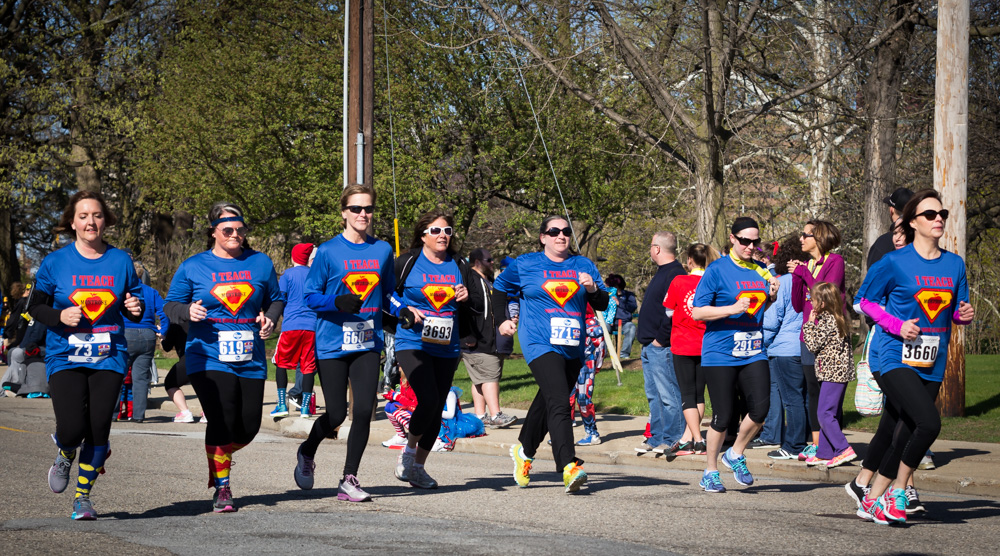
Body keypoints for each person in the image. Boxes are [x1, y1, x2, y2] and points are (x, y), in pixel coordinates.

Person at [852, 189, 973, 524]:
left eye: (942, 214)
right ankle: (898, 491)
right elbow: (862, 302)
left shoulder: (954, 264)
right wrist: (896, 324)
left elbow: (955, 311)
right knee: (928, 423)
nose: (939, 219)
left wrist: (964, 315)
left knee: (905, 430)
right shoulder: (894, 262)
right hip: (893, 355)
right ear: (913, 222)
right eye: (930, 215)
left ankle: (872, 498)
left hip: (932, 360)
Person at [28, 191, 143, 520]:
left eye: (97, 215)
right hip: (66, 354)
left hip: (109, 354)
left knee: (98, 428)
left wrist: (134, 307)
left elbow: (132, 302)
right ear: (72, 223)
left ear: (105, 220)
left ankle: (83, 498)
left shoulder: (120, 260)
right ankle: (65, 452)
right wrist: (59, 316)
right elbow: (35, 306)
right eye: (83, 216)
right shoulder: (55, 262)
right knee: (71, 428)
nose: (91, 222)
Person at [164, 202, 284, 513]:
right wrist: (187, 311)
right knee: (222, 416)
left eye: (240, 229)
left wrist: (271, 318)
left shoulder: (260, 262)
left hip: (250, 355)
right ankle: (222, 486)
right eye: (228, 229)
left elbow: (276, 298)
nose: (235, 234)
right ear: (213, 232)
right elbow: (170, 304)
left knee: (248, 427)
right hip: (207, 354)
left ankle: (219, 456)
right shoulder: (193, 266)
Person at [291, 186, 397, 501]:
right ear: (344, 212)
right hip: (332, 343)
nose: (363, 214)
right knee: (336, 414)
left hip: (367, 341)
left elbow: (389, 292)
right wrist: (336, 302)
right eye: (356, 208)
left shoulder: (382, 250)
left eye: (368, 208)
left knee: (363, 410)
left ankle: (349, 479)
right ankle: (307, 450)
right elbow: (310, 296)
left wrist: (403, 310)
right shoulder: (327, 251)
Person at [494, 216, 609, 493]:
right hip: (539, 342)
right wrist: (502, 320)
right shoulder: (525, 264)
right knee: (559, 400)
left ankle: (524, 451)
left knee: (548, 400)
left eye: (566, 231)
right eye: (554, 231)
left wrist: (592, 288)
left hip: (572, 345)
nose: (561, 236)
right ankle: (569, 466)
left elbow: (603, 303)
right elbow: (499, 288)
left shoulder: (583, 265)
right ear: (543, 237)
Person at [690, 217, 779, 493]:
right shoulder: (717, 270)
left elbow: (757, 308)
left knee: (761, 410)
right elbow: (698, 312)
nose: (751, 246)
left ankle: (736, 453)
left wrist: (771, 297)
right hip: (720, 353)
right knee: (723, 416)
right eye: (745, 241)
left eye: (755, 242)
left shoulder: (760, 270)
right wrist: (731, 308)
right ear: (732, 239)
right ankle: (710, 471)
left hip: (753, 350)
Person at [390, 211, 469, 489]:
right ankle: (408, 451)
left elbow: (472, 300)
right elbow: (387, 293)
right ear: (423, 235)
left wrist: (465, 296)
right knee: (429, 398)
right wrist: (404, 308)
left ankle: (419, 468)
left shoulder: (459, 263)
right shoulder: (407, 262)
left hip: (447, 345)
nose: (442, 235)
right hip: (412, 341)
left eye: (447, 230)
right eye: (436, 230)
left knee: (436, 408)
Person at [789, 219, 846, 463]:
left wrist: (803, 273)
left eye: (806, 235)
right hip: (808, 335)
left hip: (830, 338)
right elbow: (797, 305)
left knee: (829, 393)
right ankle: (818, 445)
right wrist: (796, 277)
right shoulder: (807, 266)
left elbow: (827, 296)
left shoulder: (835, 261)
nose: (801, 239)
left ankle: (834, 445)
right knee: (813, 391)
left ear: (819, 237)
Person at [635, 232, 686, 456]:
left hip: (662, 346)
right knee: (654, 395)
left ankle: (674, 438)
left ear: (657, 248)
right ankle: (656, 436)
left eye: (650, 246)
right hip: (649, 346)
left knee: (669, 395)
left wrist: (660, 340)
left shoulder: (675, 274)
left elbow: (674, 312)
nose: (650, 250)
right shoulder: (662, 272)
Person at [662, 243, 715, 455]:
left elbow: (668, 312)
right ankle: (688, 438)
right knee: (699, 395)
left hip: (683, 343)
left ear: (689, 260)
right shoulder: (712, 281)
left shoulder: (679, 281)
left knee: (687, 394)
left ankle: (698, 440)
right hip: (705, 344)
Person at [459, 247, 516, 429]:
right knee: (490, 376)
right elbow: (466, 309)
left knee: (479, 379)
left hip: (488, 338)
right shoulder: (471, 280)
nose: (493, 263)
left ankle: (480, 415)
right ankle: (495, 415)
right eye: (489, 260)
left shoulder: (488, 281)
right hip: (477, 339)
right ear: (477, 262)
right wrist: (469, 334)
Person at [763, 241, 809, 461]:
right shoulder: (811, 280)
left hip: (784, 348)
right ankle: (807, 440)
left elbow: (773, 320)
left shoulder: (785, 282)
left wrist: (764, 342)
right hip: (806, 347)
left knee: (792, 400)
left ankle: (793, 445)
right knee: (805, 397)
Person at [802, 282, 855, 467]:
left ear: (822, 303)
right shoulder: (838, 317)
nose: (810, 302)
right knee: (830, 413)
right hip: (837, 373)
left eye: (812, 299)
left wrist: (809, 324)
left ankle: (843, 448)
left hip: (833, 373)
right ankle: (825, 453)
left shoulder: (827, 320)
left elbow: (812, 345)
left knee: (824, 414)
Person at [271, 242, 318, 419]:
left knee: (280, 363)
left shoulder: (287, 275)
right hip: (312, 327)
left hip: (291, 325)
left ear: (293, 257)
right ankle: (305, 408)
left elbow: (280, 298)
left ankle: (282, 404)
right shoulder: (314, 275)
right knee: (308, 366)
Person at [123, 256, 169, 423]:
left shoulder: (123, 290)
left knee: (118, 375)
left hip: (126, 333)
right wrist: (163, 331)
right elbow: (164, 313)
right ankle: (138, 415)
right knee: (141, 378)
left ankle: (113, 413)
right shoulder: (151, 292)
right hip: (148, 335)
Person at [571, 305, 605, 445]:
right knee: (565, 399)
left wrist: (597, 366)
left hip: (586, 366)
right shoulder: (569, 320)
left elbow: (600, 347)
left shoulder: (591, 324)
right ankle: (562, 435)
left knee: (584, 400)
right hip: (569, 364)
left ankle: (592, 433)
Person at [605, 274, 638, 360]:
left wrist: (619, 303)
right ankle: (603, 353)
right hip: (609, 323)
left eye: (614, 286)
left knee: (631, 327)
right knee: (603, 328)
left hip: (624, 323)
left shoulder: (629, 295)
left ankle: (624, 354)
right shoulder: (607, 294)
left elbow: (632, 307)